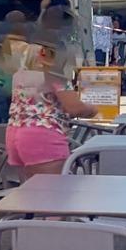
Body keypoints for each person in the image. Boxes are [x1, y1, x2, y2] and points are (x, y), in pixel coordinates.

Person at [6, 40, 94, 176]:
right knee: (52, 192)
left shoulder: (19, 76)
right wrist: (93, 110)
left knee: (29, 191)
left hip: (15, 133)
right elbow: (75, 108)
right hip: (43, 136)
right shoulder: (55, 77)